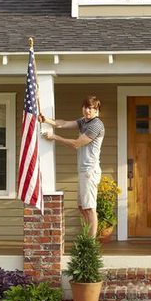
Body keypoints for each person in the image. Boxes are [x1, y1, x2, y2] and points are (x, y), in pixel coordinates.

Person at [41, 96, 105, 237]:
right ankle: (87, 238)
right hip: (83, 171)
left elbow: (76, 144)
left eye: (91, 108)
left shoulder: (96, 125)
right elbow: (63, 123)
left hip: (90, 171)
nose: (87, 110)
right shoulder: (84, 121)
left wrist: (55, 137)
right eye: (85, 107)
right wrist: (46, 120)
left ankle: (90, 246)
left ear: (96, 110)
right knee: (82, 208)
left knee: (89, 209)